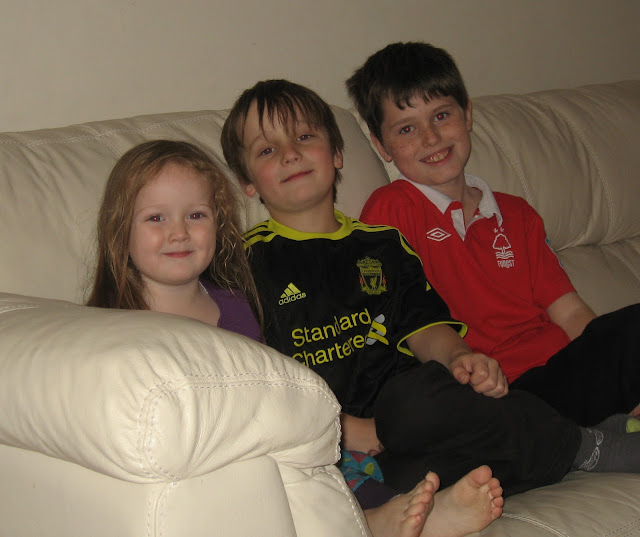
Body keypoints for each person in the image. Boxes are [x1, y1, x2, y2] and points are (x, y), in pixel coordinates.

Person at [220, 79, 640, 534]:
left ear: (337, 154)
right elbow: (257, 379)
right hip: (350, 448)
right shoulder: (245, 266)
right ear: (247, 182)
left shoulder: (383, 245)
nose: (290, 155)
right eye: (267, 150)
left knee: (422, 396)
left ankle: (555, 443)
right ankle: (585, 445)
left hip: (425, 416)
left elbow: (423, 327)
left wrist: (459, 357)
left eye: (304, 137)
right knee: (419, 461)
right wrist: (347, 427)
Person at [86, 139, 487, 537]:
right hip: (206, 471)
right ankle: (373, 524)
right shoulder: (118, 328)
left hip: (277, 454)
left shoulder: (238, 305)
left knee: (323, 469)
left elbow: (273, 390)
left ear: (219, 223)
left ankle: (395, 513)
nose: (179, 233)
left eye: (195, 215)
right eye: (156, 218)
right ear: (120, 229)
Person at [348, 41, 640, 430]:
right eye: (407, 129)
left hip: (561, 373)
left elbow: (570, 313)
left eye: (441, 115)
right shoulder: (392, 209)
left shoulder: (518, 215)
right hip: (489, 391)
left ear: (467, 114)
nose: (431, 138)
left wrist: (623, 372)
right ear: (381, 146)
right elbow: (389, 314)